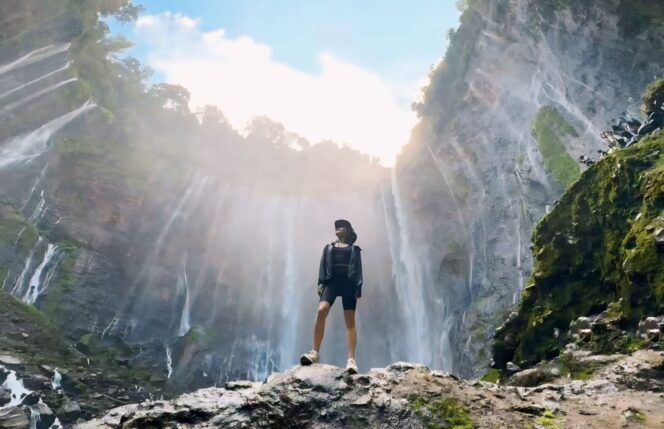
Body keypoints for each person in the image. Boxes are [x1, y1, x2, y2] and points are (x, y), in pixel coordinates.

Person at [299, 219, 363, 374]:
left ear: (348, 230)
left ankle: (351, 360)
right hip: (331, 282)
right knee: (321, 310)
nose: (338, 228)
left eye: (341, 226)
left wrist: (358, 286)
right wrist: (321, 283)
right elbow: (323, 266)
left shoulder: (354, 250)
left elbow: (359, 270)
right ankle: (315, 353)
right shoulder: (328, 248)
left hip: (348, 283)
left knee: (350, 321)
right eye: (336, 227)